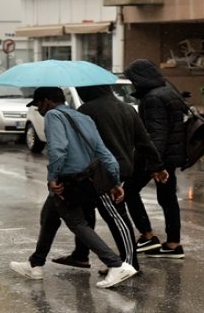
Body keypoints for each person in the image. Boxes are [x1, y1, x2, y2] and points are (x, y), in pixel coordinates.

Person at [10, 87, 137, 288]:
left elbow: (58, 149)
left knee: (77, 223)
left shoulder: (53, 115)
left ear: (46, 101)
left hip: (67, 181)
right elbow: (102, 150)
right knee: (49, 217)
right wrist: (114, 181)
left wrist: (53, 177)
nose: (38, 110)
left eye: (37, 105)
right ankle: (35, 263)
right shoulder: (82, 116)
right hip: (87, 179)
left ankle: (116, 264)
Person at [52, 85, 169, 273]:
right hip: (119, 167)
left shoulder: (87, 110)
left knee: (116, 216)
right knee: (87, 210)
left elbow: (76, 144)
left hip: (102, 172)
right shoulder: (127, 108)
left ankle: (129, 264)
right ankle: (81, 255)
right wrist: (157, 166)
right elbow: (144, 140)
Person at [122, 59, 187, 258]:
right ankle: (173, 244)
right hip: (170, 155)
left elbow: (157, 134)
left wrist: (156, 165)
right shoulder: (168, 92)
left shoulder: (152, 98)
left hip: (154, 157)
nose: (132, 83)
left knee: (129, 191)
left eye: (133, 79)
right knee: (168, 199)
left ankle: (148, 236)